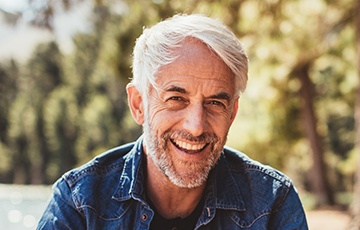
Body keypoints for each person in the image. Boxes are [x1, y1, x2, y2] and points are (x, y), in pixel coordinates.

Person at [37, 14, 308, 229]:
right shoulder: (80, 203)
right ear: (138, 104)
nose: (196, 126)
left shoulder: (272, 202)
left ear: (232, 113)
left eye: (215, 103)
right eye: (176, 99)